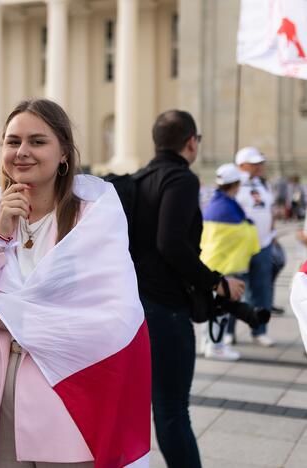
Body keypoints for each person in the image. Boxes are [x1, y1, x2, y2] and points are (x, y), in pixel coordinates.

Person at [0, 99, 151, 468]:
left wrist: (19, 318)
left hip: (66, 394)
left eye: (37, 141)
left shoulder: (92, 219)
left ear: (63, 153)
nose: (22, 152)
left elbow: (115, 316)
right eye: (12, 141)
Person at [131, 110, 244, 467]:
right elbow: (171, 244)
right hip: (166, 309)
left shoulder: (137, 179)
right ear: (191, 141)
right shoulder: (181, 179)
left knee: (158, 407)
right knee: (173, 411)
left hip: (135, 306)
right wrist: (217, 282)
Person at [199, 163, 260, 361]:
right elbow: (246, 235)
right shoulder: (226, 207)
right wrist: (250, 227)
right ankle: (216, 346)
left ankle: (208, 342)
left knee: (213, 306)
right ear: (235, 185)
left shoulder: (215, 203)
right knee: (220, 308)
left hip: (212, 262)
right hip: (224, 265)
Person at [225, 147, 276, 347]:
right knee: (234, 289)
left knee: (262, 290)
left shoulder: (263, 183)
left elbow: (269, 208)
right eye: (254, 163)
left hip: (263, 244)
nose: (259, 166)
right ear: (242, 165)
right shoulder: (235, 184)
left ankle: (259, 329)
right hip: (240, 247)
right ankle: (228, 330)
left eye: (260, 163)